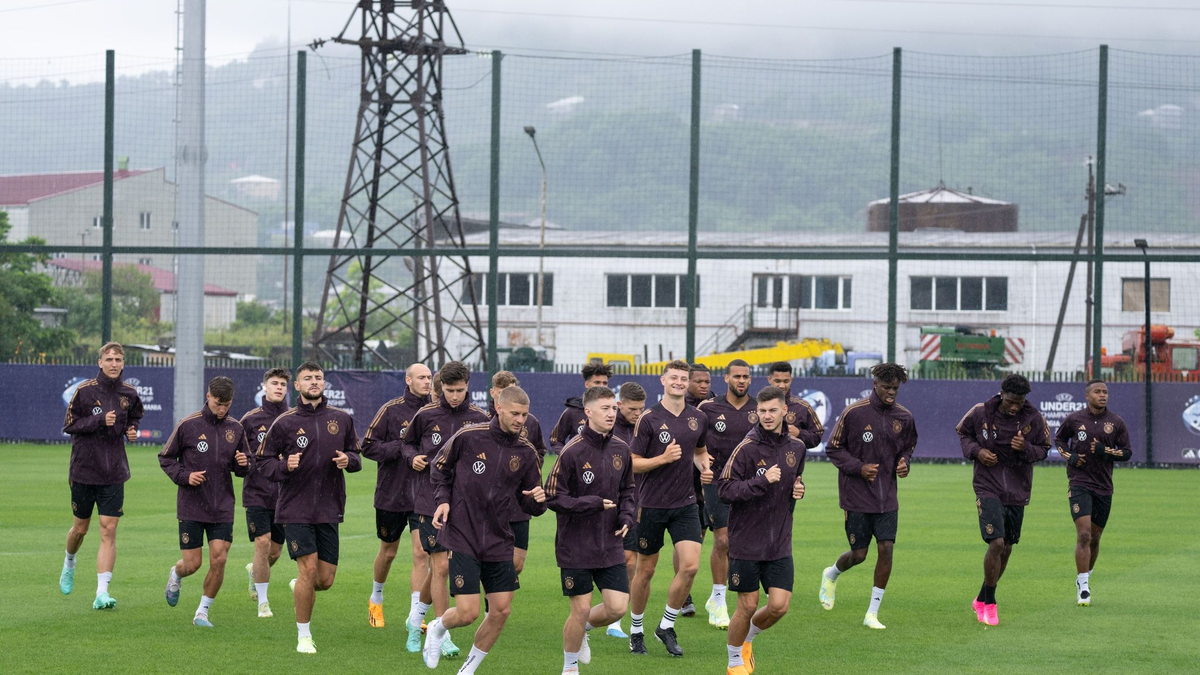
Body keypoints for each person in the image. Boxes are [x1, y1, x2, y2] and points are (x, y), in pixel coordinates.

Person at [422, 386, 547, 674]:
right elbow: (439, 468)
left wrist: (538, 501)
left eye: (525, 415)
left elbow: (529, 501)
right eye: (515, 413)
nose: (520, 420)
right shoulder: (468, 437)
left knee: (501, 609)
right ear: (498, 407)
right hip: (463, 533)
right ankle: (438, 627)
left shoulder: (526, 452)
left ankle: (468, 669)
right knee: (468, 613)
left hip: (499, 537)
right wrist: (442, 501)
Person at [257, 361, 362, 654]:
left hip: (329, 507)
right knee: (309, 569)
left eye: (318, 378)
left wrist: (348, 461)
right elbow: (263, 462)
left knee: (325, 580)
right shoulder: (285, 422)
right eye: (308, 378)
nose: (314, 382)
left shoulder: (341, 419)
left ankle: (300, 587)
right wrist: (283, 466)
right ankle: (304, 636)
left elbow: (356, 456)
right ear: (298, 386)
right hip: (295, 508)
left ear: (324, 384)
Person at [544, 386, 637, 675]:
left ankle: (581, 630)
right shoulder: (572, 451)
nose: (611, 413)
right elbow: (552, 497)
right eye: (605, 408)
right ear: (588, 412)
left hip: (609, 543)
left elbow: (628, 489)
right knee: (580, 608)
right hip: (575, 545)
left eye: (613, 408)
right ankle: (569, 667)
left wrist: (626, 516)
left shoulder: (622, 448)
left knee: (617, 607)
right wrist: (591, 503)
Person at [819, 363, 917, 630]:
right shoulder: (854, 412)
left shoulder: (904, 417)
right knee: (859, 554)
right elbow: (833, 448)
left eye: (895, 388)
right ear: (875, 384)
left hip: (888, 499)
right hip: (857, 497)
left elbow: (908, 447)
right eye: (886, 387)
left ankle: (872, 613)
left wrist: (904, 463)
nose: (891, 393)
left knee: (886, 549)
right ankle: (831, 574)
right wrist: (859, 468)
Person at [403, 361, 489, 660]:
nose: (454, 396)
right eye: (449, 391)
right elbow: (408, 444)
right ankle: (442, 633)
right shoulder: (426, 414)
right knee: (439, 566)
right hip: (431, 500)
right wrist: (412, 457)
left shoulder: (480, 418)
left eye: (460, 390)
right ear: (441, 388)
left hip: (466, 506)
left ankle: (415, 619)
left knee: (444, 568)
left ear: (468, 386)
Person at [718, 386, 807, 675]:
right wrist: (762, 481)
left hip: (779, 540)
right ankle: (734, 662)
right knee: (747, 604)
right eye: (762, 411)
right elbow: (724, 490)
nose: (767, 416)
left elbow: (794, 481)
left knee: (779, 606)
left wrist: (798, 489)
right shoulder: (746, 448)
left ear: (784, 411)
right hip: (746, 541)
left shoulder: (797, 448)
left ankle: (747, 639)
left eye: (772, 410)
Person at [627, 359, 713, 658]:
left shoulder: (697, 418)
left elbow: (700, 452)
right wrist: (662, 459)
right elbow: (633, 463)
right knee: (645, 570)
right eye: (673, 377)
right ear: (663, 381)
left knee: (690, 565)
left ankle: (666, 625)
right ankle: (636, 630)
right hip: (650, 505)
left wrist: (705, 467)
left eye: (683, 378)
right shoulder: (648, 418)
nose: (678, 382)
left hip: (686, 503)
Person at [956, 374, 1051, 626]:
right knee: (996, 543)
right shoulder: (980, 412)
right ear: (1001, 394)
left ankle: (981, 597)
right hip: (987, 485)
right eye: (1010, 401)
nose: (1014, 407)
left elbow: (1044, 449)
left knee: (1007, 547)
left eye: (1019, 402)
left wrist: (1026, 448)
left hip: (1018, 489)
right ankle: (990, 603)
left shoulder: (1034, 418)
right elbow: (963, 434)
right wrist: (978, 452)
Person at [159, 376, 251, 627]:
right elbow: (166, 458)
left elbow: (243, 464)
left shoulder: (236, 428)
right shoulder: (188, 425)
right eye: (218, 403)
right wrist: (186, 476)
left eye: (227, 405)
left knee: (219, 559)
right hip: (191, 504)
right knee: (192, 564)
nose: (222, 409)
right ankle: (176, 574)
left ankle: (202, 611)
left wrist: (243, 465)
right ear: (208, 396)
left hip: (222, 505)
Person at [59, 341, 144, 609]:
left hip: (114, 472)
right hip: (84, 471)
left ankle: (101, 592)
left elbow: (135, 418)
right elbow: (69, 425)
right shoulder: (84, 392)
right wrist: (99, 420)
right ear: (100, 362)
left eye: (118, 359)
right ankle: (69, 562)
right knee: (80, 529)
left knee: (109, 530)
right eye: (109, 359)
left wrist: (132, 430)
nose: (114, 364)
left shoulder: (129, 393)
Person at [361, 363, 433, 647]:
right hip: (391, 494)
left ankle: (416, 616)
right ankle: (376, 597)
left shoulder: (435, 411)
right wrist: (402, 449)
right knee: (388, 552)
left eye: (430, 377)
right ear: (408, 380)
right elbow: (367, 446)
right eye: (422, 377)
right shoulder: (390, 410)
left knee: (421, 553)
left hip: (422, 496)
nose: (427, 382)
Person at [1054, 379, 1131, 606]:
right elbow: (1059, 440)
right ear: (1087, 396)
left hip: (1104, 487)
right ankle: (1083, 585)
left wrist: (1104, 450)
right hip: (1079, 483)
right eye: (1097, 392)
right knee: (1084, 534)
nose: (1102, 395)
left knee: (1095, 539)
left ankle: (1087, 574)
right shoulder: (1075, 419)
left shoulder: (1116, 422)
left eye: (1105, 392)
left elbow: (1126, 453)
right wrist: (1071, 456)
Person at [696, 359, 754, 629]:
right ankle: (719, 601)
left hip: (750, 485)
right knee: (722, 540)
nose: (741, 381)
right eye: (737, 376)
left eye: (746, 376)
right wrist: (703, 464)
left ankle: (718, 596)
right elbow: (692, 441)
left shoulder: (758, 408)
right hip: (716, 481)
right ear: (726, 378)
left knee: (740, 543)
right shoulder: (707, 408)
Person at [239, 367, 292, 618]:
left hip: (285, 494)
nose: (279, 387)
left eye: (283, 384)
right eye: (274, 383)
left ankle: (255, 572)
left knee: (275, 551)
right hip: (257, 491)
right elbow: (238, 453)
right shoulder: (250, 420)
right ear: (265, 387)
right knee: (261, 543)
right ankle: (263, 602)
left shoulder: (294, 418)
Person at [488, 371, 548, 577]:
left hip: (519, 504)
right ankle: (491, 606)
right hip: (491, 502)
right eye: (504, 391)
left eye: (514, 389)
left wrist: (526, 470)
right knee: (493, 562)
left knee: (516, 565)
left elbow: (539, 451)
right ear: (494, 393)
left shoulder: (530, 422)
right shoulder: (481, 420)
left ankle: (495, 604)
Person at [607, 381, 647, 639]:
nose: (637, 413)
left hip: (633, 501)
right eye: (633, 409)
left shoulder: (648, 425)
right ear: (619, 405)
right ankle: (589, 613)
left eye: (641, 408)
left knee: (630, 559)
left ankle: (615, 620)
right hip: (603, 502)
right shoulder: (607, 426)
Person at [681, 362, 716, 617]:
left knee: (725, 539)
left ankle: (719, 595)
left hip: (713, 480)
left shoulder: (715, 405)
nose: (704, 386)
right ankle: (684, 596)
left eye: (707, 382)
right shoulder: (678, 407)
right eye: (699, 382)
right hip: (687, 483)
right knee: (694, 541)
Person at [549, 362, 612, 453]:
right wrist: (568, 457)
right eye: (597, 382)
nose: (601, 386)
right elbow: (555, 440)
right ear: (587, 384)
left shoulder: (613, 413)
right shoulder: (572, 412)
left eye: (604, 383)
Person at [765, 362, 824, 448]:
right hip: (763, 460)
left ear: (791, 380)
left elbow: (818, 436)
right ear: (769, 379)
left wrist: (799, 434)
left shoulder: (803, 407)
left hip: (792, 460)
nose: (781, 386)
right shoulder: (759, 406)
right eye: (777, 381)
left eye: (786, 381)